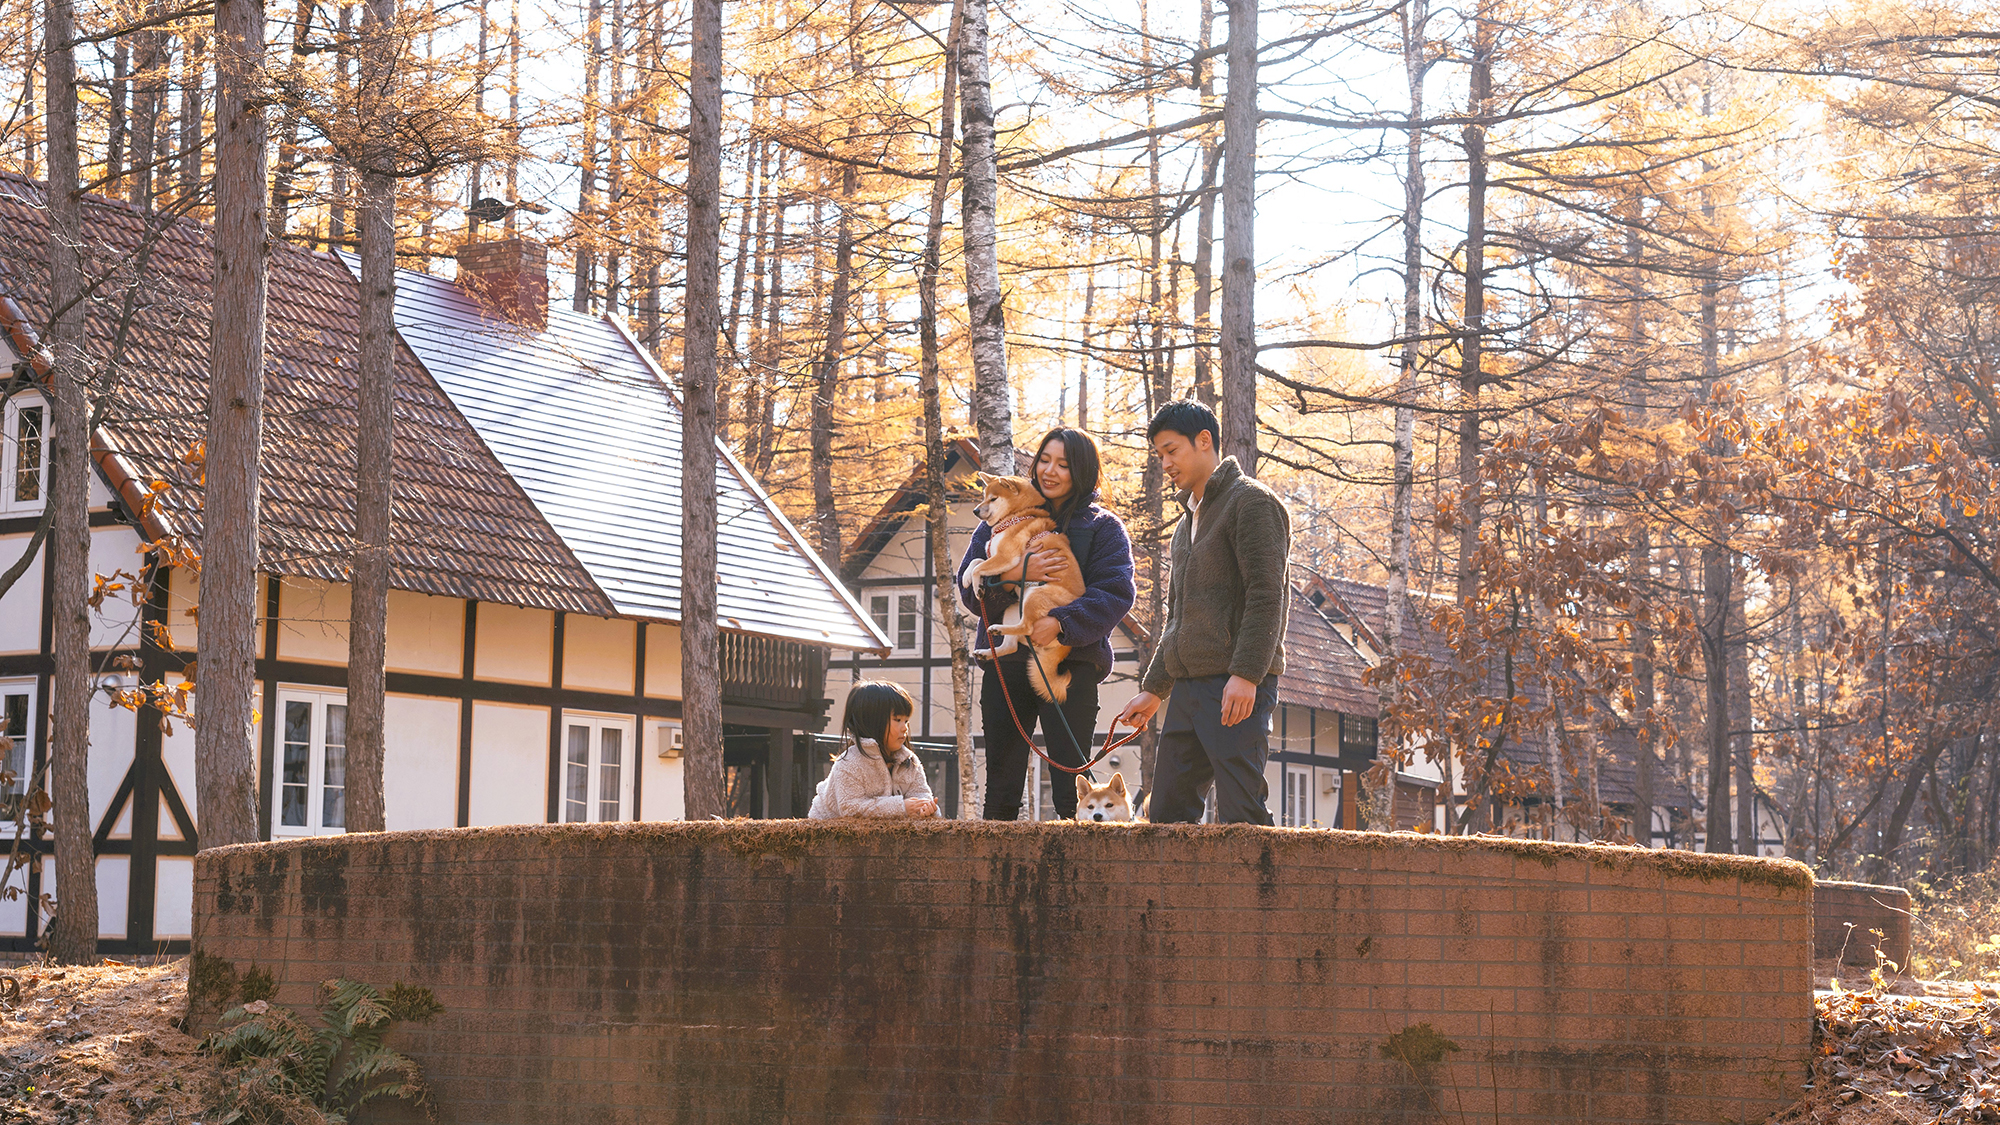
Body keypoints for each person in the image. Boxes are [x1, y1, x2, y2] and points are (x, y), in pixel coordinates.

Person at [1115, 401, 1291, 825]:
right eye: (1160, 455)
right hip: (1188, 690)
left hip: (1236, 685)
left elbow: (1267, 596)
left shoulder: (1252, 503)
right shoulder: (1185, 524)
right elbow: (1178, 616)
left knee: (1241, 815)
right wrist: (1155, 689)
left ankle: (1261, 894)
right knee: (1167, 817)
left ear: (1204, 441)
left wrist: (1247, 675)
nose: (1166, 463)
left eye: (1171, 450)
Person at [960, 428, 1136, 820]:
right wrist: (1015, 574)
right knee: (1001, 786)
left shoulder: (1103, 527)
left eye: (1064, 464)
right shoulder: (1000, 518)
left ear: (1084, 472)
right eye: (1044, 460)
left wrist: (1060, 623)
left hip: (1070, 664)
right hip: (1004, 664)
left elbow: (1115, 593)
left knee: (1070, 785)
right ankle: (997, 876)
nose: (1050, 471)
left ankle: (1076, 876)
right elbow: (970, 593)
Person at [809, 681, 940, 819]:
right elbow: (850, 809)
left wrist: (926, 809)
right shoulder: (849, 763)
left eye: (906, 721)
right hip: (827, 833)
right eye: (897, 719)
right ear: (872, 722)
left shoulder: (910, 761)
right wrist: (901, 807)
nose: (905, 728)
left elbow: (921, 795)